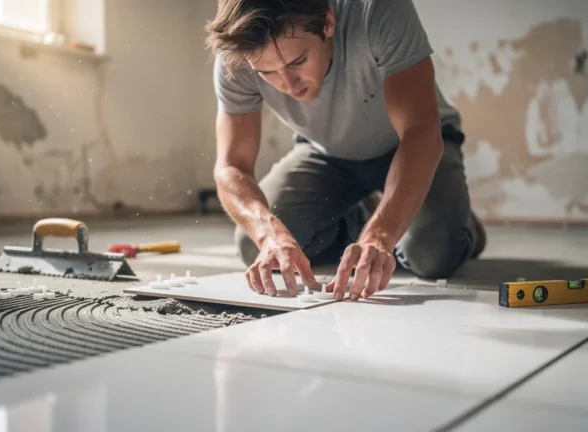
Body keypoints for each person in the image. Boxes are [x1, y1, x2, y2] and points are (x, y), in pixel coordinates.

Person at [204, 0, 486, 301]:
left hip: (411, 147)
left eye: (297, 61)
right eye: (266, 72)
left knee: (431, 254)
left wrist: (380, 236)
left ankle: (455, 220)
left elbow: (421, 131)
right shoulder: (239, 51)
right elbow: (231, 166)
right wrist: (269, 235)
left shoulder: (377, 10)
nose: (287, 84)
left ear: (328, 21)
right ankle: (360, 215)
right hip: (326, 154)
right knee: (255, 248)